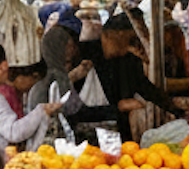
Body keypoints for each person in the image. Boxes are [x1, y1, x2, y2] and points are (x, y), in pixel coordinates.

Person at [72, 13, 181, 143]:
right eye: (122, 39)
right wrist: (116, 107)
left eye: (129, 40)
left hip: (120, 136)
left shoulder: (128, 60)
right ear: (107, 35)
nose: (125, 46)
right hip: (85, 138)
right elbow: (73, 112)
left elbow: (144, 87)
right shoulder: (83, 58)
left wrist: (173, 108)